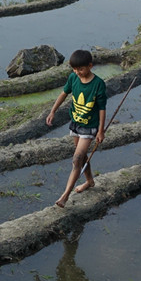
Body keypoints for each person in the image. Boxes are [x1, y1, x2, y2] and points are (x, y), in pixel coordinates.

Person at [46, 49, 108, 208]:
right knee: (83, 156)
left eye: (80, 69)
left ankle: (65, 196)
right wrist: (53, 111)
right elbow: (63, 94)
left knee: (76, 159)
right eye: (74, 69)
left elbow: (101, 108)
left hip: (90, 126)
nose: (77, 72)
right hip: (75, 123)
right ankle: (89, 181)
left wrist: (101, 131)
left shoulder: (98, 84)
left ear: (90, 66)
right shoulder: (73, 77)